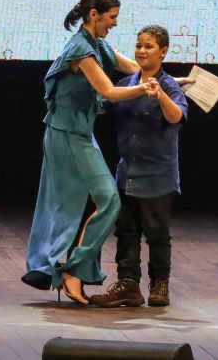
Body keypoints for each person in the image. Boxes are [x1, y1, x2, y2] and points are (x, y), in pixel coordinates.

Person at [21, 0, 155, 305]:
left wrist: (173, 82)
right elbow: (108, 91)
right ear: (94, 15)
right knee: (106, 200)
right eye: (112, 18)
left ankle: (72, 270)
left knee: (101, 201)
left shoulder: (97, 43)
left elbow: (134, 69)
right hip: (65, 133)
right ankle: (73, 271)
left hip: (80, 132)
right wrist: (144, 89)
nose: (115, 24)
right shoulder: (80, 50)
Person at [89, 25, 188, 308]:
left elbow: (176, 117)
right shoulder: (126, 84)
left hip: (158, 176)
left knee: (157, 233)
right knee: (126, 231)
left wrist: (160, 96)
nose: (142, 51)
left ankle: (160, 285)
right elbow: (103, 103)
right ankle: (128, 285)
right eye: (139, 45)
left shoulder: (168, 85)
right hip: (127, 174)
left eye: (149, 47)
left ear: (163, 52)